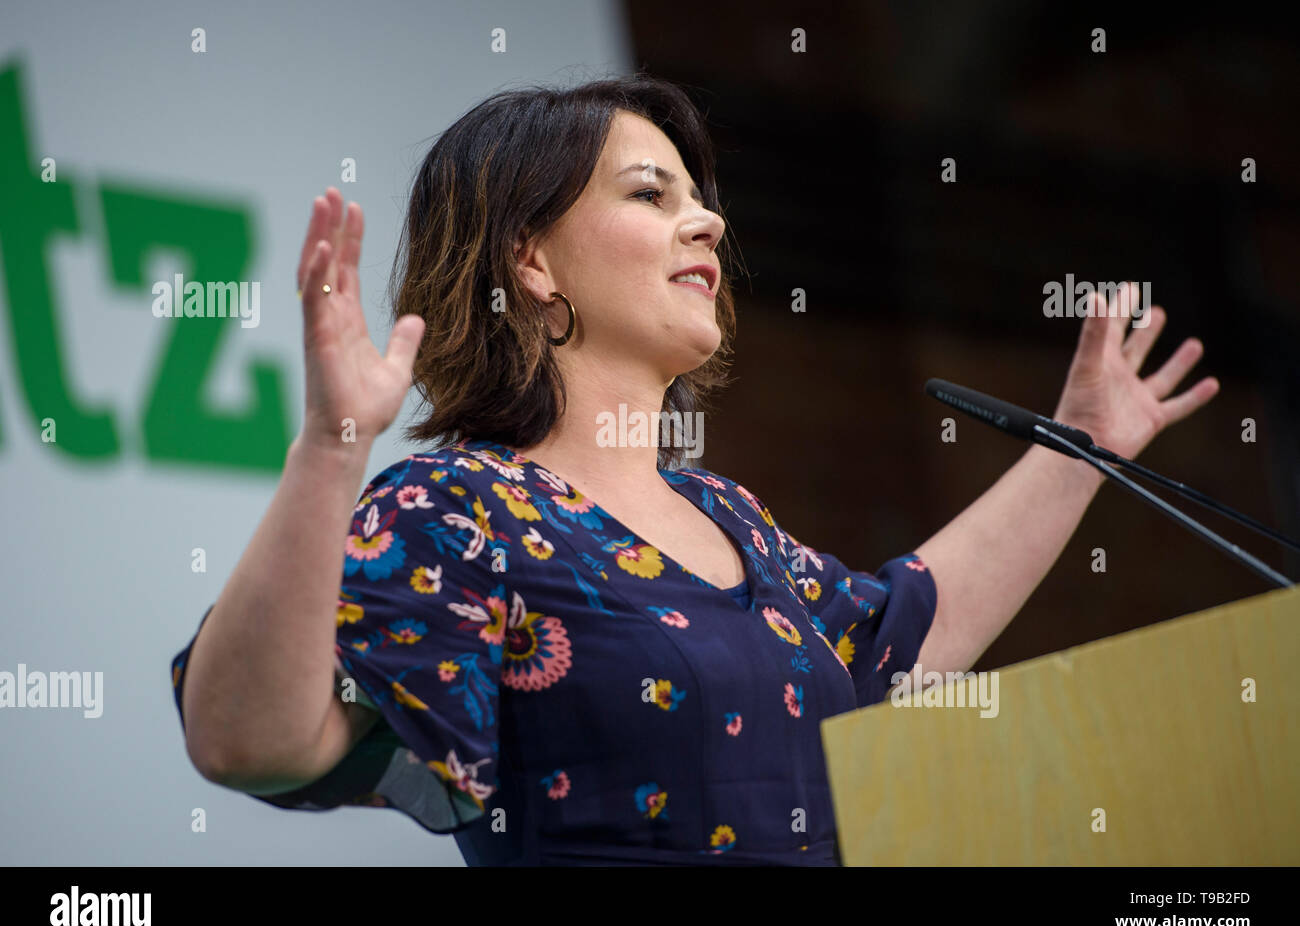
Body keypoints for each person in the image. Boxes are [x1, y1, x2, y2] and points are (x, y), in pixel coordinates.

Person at [169, 75, 1219, 866]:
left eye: (699, 198)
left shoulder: (730, 515)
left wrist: (1081, 443)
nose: (707, 219)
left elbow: (901, 640)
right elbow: (253, 740)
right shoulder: (458, 508)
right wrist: (332, 443)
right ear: (530, 259)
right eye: (648, 190)